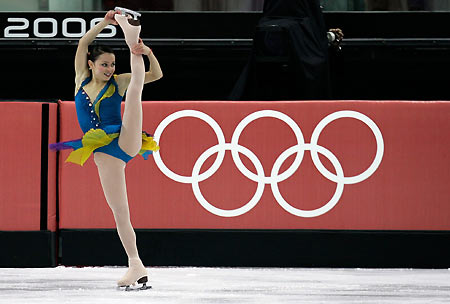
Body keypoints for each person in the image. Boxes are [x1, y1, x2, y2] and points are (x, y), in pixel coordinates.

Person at [50, 9, 162, 289]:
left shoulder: (118, 82)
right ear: (91, 65)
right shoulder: (80, 80)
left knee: (135, 91)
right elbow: (82, 44)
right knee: (120, 211)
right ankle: (136, 264)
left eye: (112, 64)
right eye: (104, 64)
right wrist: (104, 23)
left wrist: (145, 52)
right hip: (106, 157)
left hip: (124, 139)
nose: (110, 69)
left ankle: (132, 34)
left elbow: (156, 75)